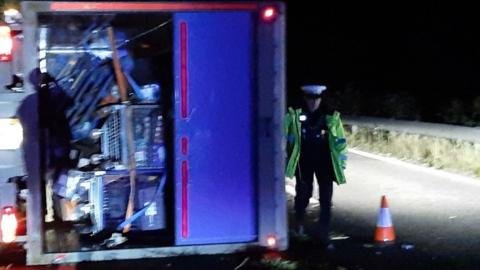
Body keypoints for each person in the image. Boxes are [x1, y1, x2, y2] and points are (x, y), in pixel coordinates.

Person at [285, 84, 347, 246]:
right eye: (310, 99)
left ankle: (323, 232)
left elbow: (340, 141)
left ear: (321, 99)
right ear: (305, 98)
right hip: (303, 161)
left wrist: (341, 163)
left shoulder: (330, 116)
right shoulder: (294, 115)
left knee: (326, 199)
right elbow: (285, 135)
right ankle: (299, 227)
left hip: (325, 163)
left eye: (316, 99)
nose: (313, 103)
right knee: (303, 195)